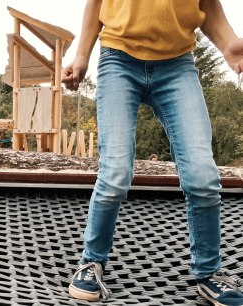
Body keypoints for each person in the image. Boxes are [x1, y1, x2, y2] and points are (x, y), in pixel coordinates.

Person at [61, 0, 243, 305]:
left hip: (177, 66)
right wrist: (81, 57)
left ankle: (209, 272)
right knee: (116, 173)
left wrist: (228, 44)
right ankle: (91, 262)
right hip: (119, 60)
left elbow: (207, 5)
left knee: (203, 176)